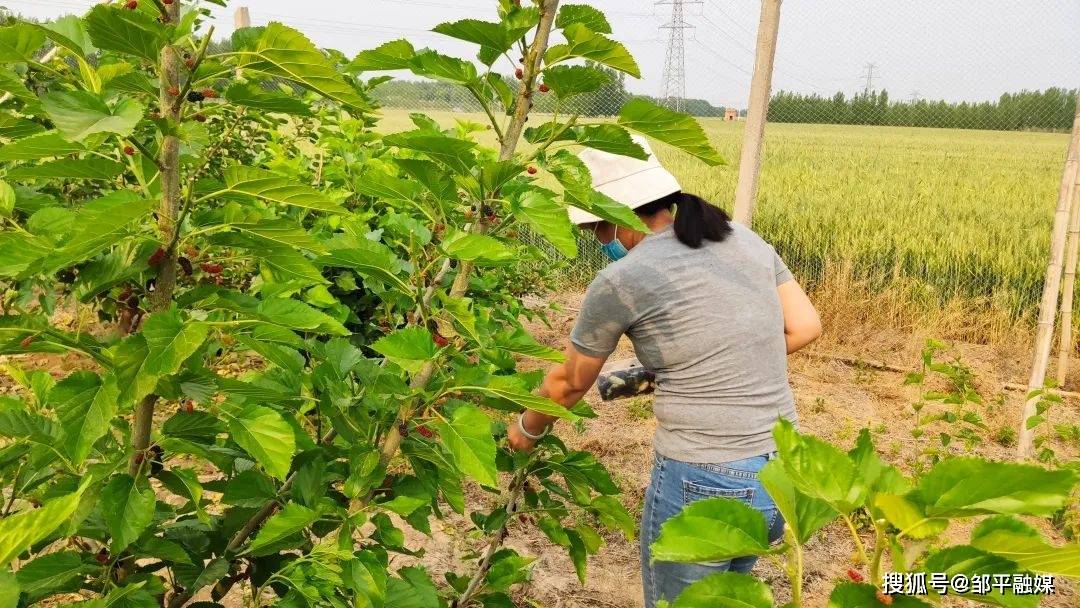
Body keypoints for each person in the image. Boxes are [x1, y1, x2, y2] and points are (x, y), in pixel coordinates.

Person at [507, 136, 822, 607]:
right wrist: (697, 368)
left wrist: (524, 431)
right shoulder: (744, 239)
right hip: (781, 470)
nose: (600, 240)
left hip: (704, 479)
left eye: (596, 228)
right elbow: (805, 326)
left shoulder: (623, 278)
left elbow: (569, 382)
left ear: (616, 218)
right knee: (727, 600)